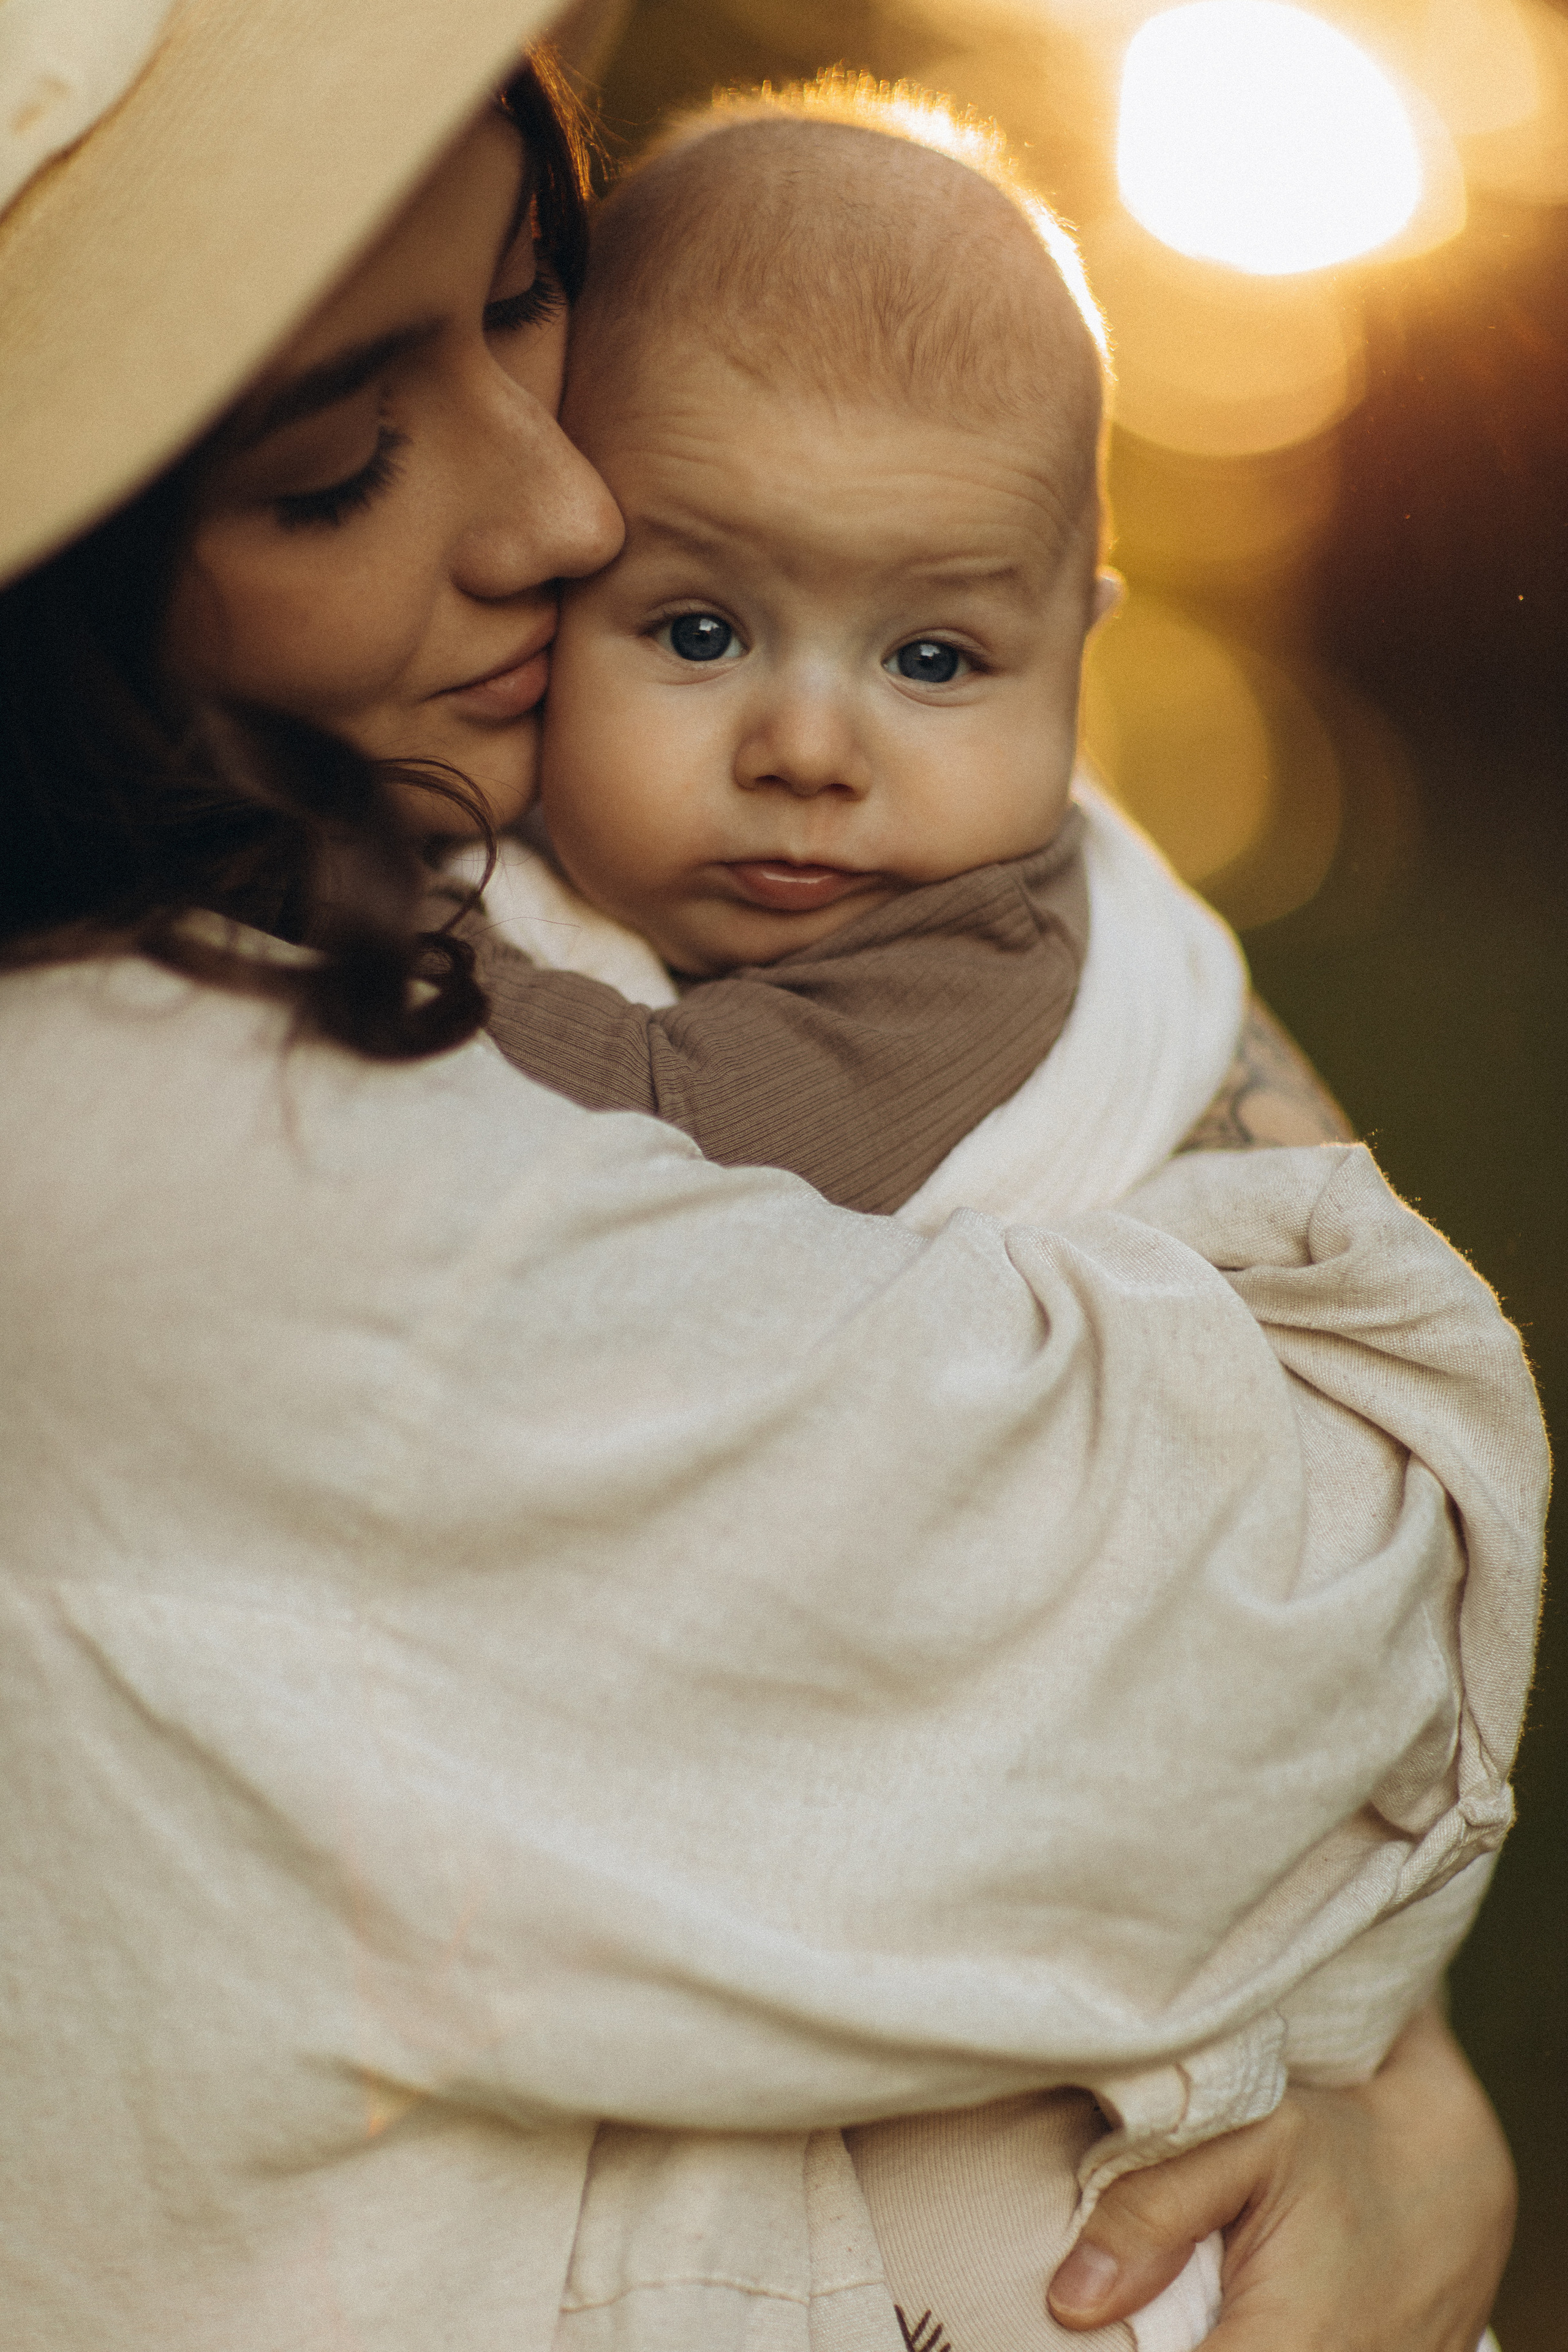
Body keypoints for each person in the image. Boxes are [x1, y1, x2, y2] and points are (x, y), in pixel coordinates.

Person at [0, 5, 1537, 2350]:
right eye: (337, 471)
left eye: (527, 295)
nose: (564, 510)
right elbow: (1320, 1660)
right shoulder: (188, 1150)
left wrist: (1408, 2115)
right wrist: (1414, 2121)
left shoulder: (654, 883)